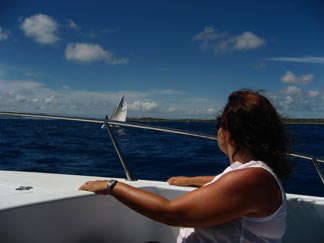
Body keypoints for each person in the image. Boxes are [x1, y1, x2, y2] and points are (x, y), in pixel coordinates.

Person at [80, 89, 292, 242]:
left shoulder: (253, 179)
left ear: (226, 133)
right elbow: (222, 183)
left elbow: (172, 214)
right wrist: (189, 181)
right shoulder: (253, 174)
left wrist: (112, 186)